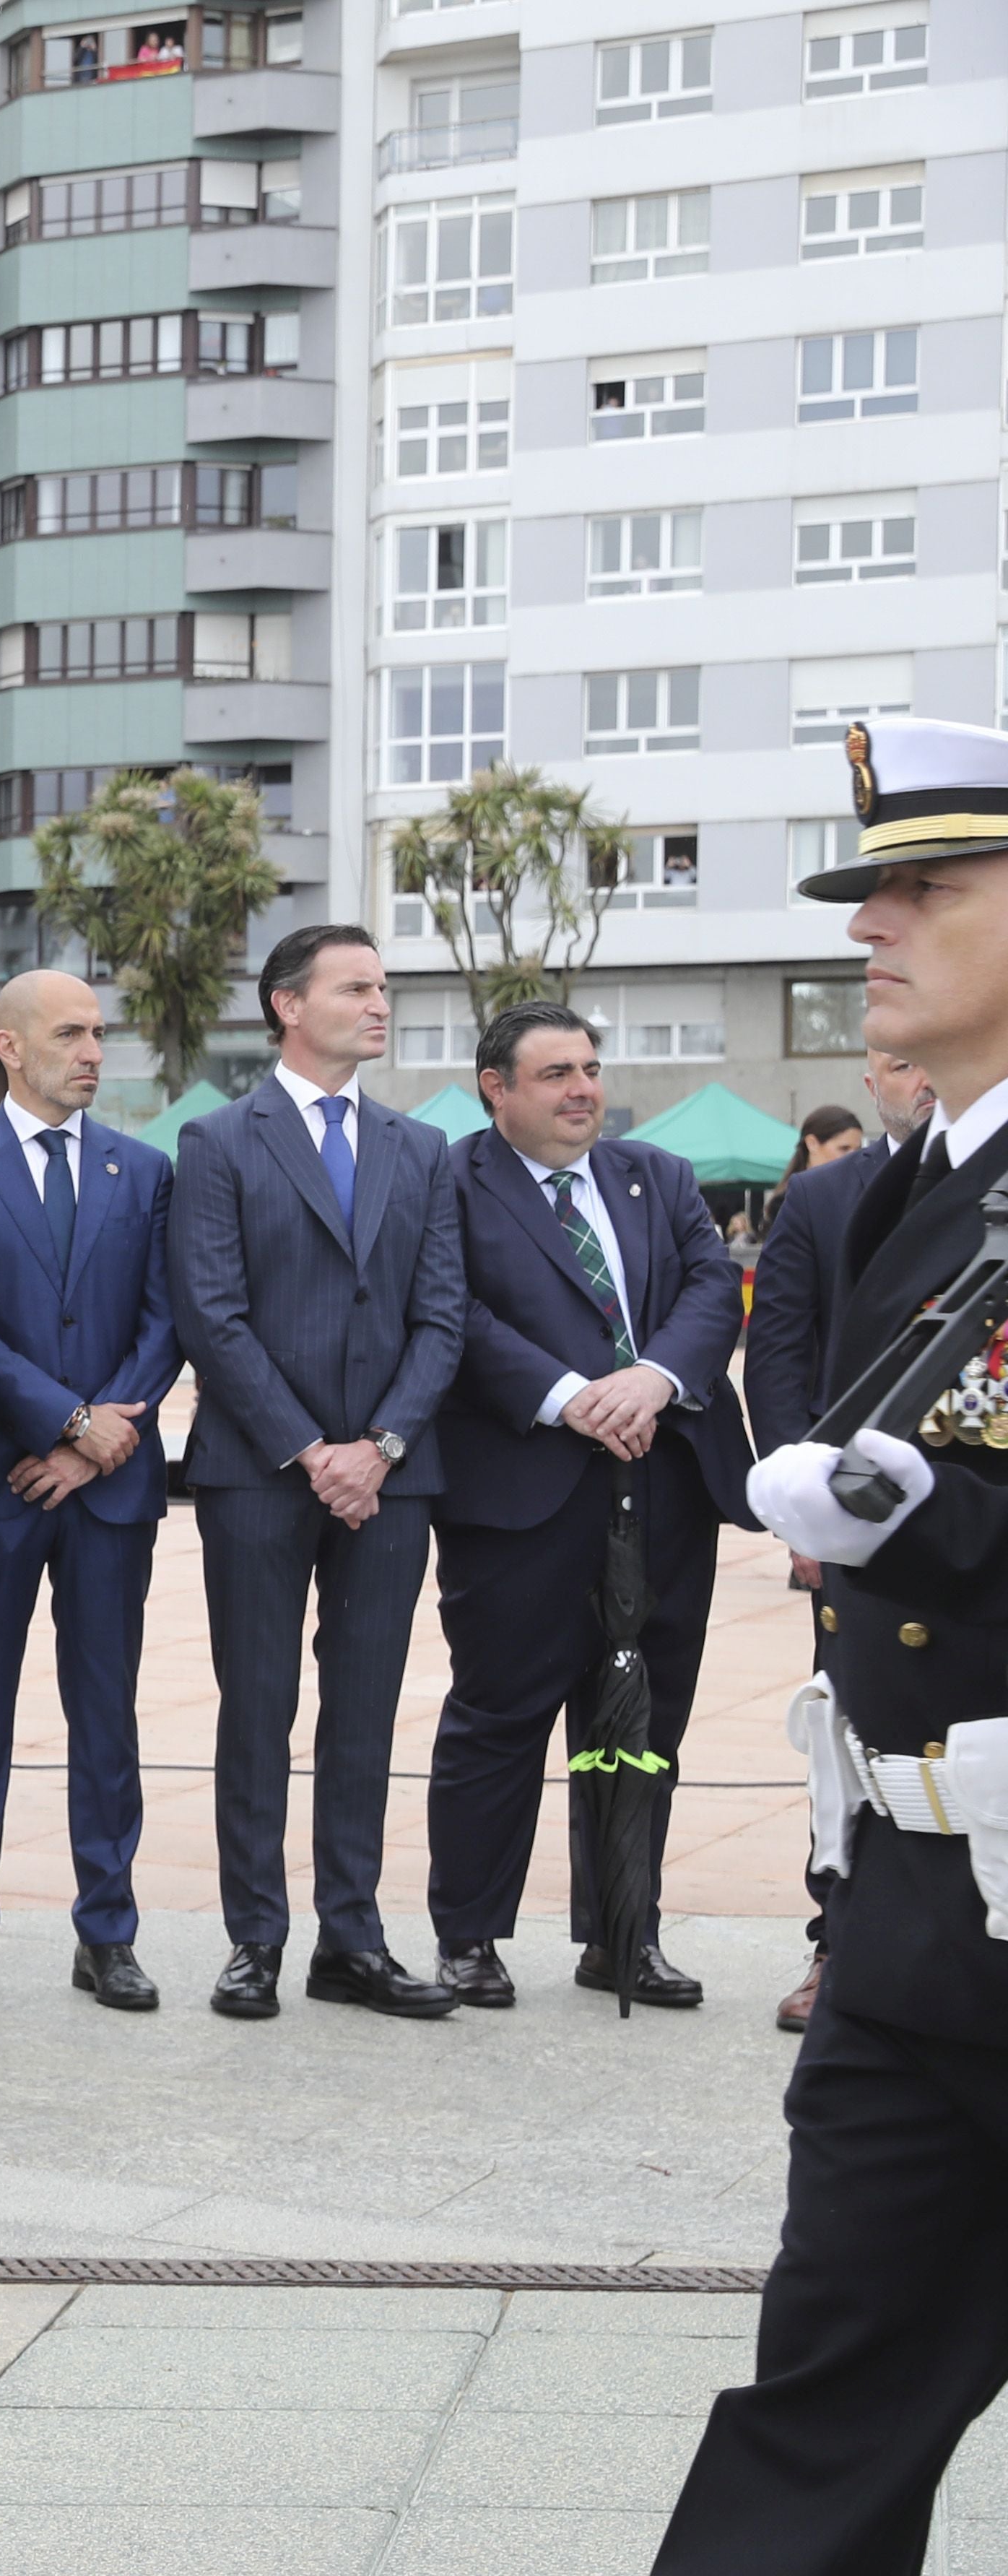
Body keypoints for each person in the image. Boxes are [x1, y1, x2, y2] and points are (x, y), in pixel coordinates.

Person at [661, 716, 1008, 2572]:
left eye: (924, 891)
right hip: (907, 1909)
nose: (872, 926)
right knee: (821, 2414)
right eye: (865, 892)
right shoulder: (885, 1189)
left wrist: (928, 1510)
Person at [426, 1002, 755, 2011]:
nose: (584, 1091)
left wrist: (652, 1378)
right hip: (524, 1495)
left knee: (640, 1724)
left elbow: (711, 1286)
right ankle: (470, 1938)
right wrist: (572, 1398)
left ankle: (623, 1935)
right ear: (497, 1088)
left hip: (663, 1487)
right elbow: (454, 1313)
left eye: (591, 1068)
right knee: (501, 1719)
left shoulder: (654, 1176)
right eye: (557, 1073)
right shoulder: (453, 1182)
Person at [170, 927, 468, 2023]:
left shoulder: (419, 1148)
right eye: (359, 988)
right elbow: (212, 1312)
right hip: (259, 1471)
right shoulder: (217, 1142)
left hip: (392, 1477)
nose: (380, 1004)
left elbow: (442, 1316)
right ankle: (256, 1938)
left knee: (366, 1710)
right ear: (289, 1006)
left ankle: (354, 1937)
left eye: (384, 988)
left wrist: (378, 1447)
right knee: (257, 1708)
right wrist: (308, 1449)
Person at [0, 969, 178, 2013]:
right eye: (70, 1033)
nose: (93, 1053)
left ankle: (107, 1931)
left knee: (106, 1713)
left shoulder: (143, 1171)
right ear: (9, 1048)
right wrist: (66, 1423)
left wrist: (97, 1439)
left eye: (100, 1034)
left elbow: (169, 1320)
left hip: (108, 1490)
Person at [745, 1047, 931, 2034]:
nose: (923, 1077)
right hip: (853, 1535)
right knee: (849, 1734)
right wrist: (799, 1513)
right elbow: (776, 1359)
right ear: (872, 1083)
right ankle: (837, 1946)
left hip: (977, 1522)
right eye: (901, 1063)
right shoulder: (821, 1203)